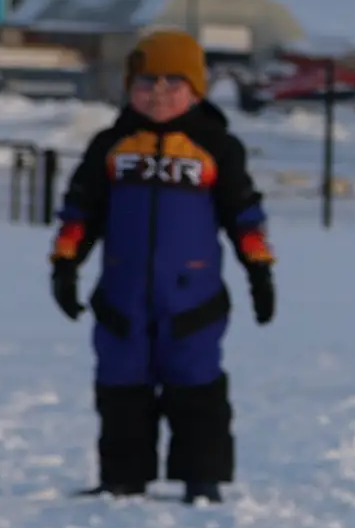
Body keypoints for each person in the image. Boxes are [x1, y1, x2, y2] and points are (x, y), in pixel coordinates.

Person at [49, 26, 276, 500]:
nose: (158, 94)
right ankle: (122, 478)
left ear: (196, 89)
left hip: (192, 298)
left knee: (195, 383)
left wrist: (259, 272)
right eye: (146, 83)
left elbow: (244, 216)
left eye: (174, 83)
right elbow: (80, 212)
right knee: (120, 384)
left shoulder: (217, 147)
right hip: (121, 296)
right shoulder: (110, 146)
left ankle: (202, 478)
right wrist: (65, 265)